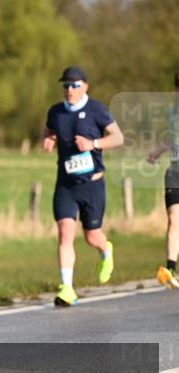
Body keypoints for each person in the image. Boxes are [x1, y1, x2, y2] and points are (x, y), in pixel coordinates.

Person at [42, 66, 125, 306]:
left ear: (85, 87)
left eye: (74, 85)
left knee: (91, 237)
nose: (69, 90)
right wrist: (48, 138)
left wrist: (93, 143)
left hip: (92, 185)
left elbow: (118, 138)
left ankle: (105, 250)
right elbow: (49, 128)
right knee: (65, 234)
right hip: (66, 185)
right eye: (66, 85)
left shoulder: (96, 110)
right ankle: (67, 288)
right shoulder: (56, 112)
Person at [145, 72, 179, 290]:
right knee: (174, 218)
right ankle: (170, 269)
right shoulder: (171, 112)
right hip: (175, 171)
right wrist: (157, 152)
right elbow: (173, 137)